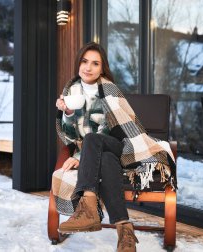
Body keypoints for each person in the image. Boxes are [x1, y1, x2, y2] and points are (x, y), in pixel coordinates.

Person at [54, 42, 177, 251]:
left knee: (94, 140)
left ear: (102, 68)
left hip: (123, 147)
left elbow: (113, 131)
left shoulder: (110, 90)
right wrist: (67, 113)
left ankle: (89, 209)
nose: (88, 67)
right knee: (107, 161)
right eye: (84, 61)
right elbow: (70, 136)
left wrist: (81, 156)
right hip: (101, 155)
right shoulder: (70, 91)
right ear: (78, 63)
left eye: (95, 63)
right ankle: (125, 232)